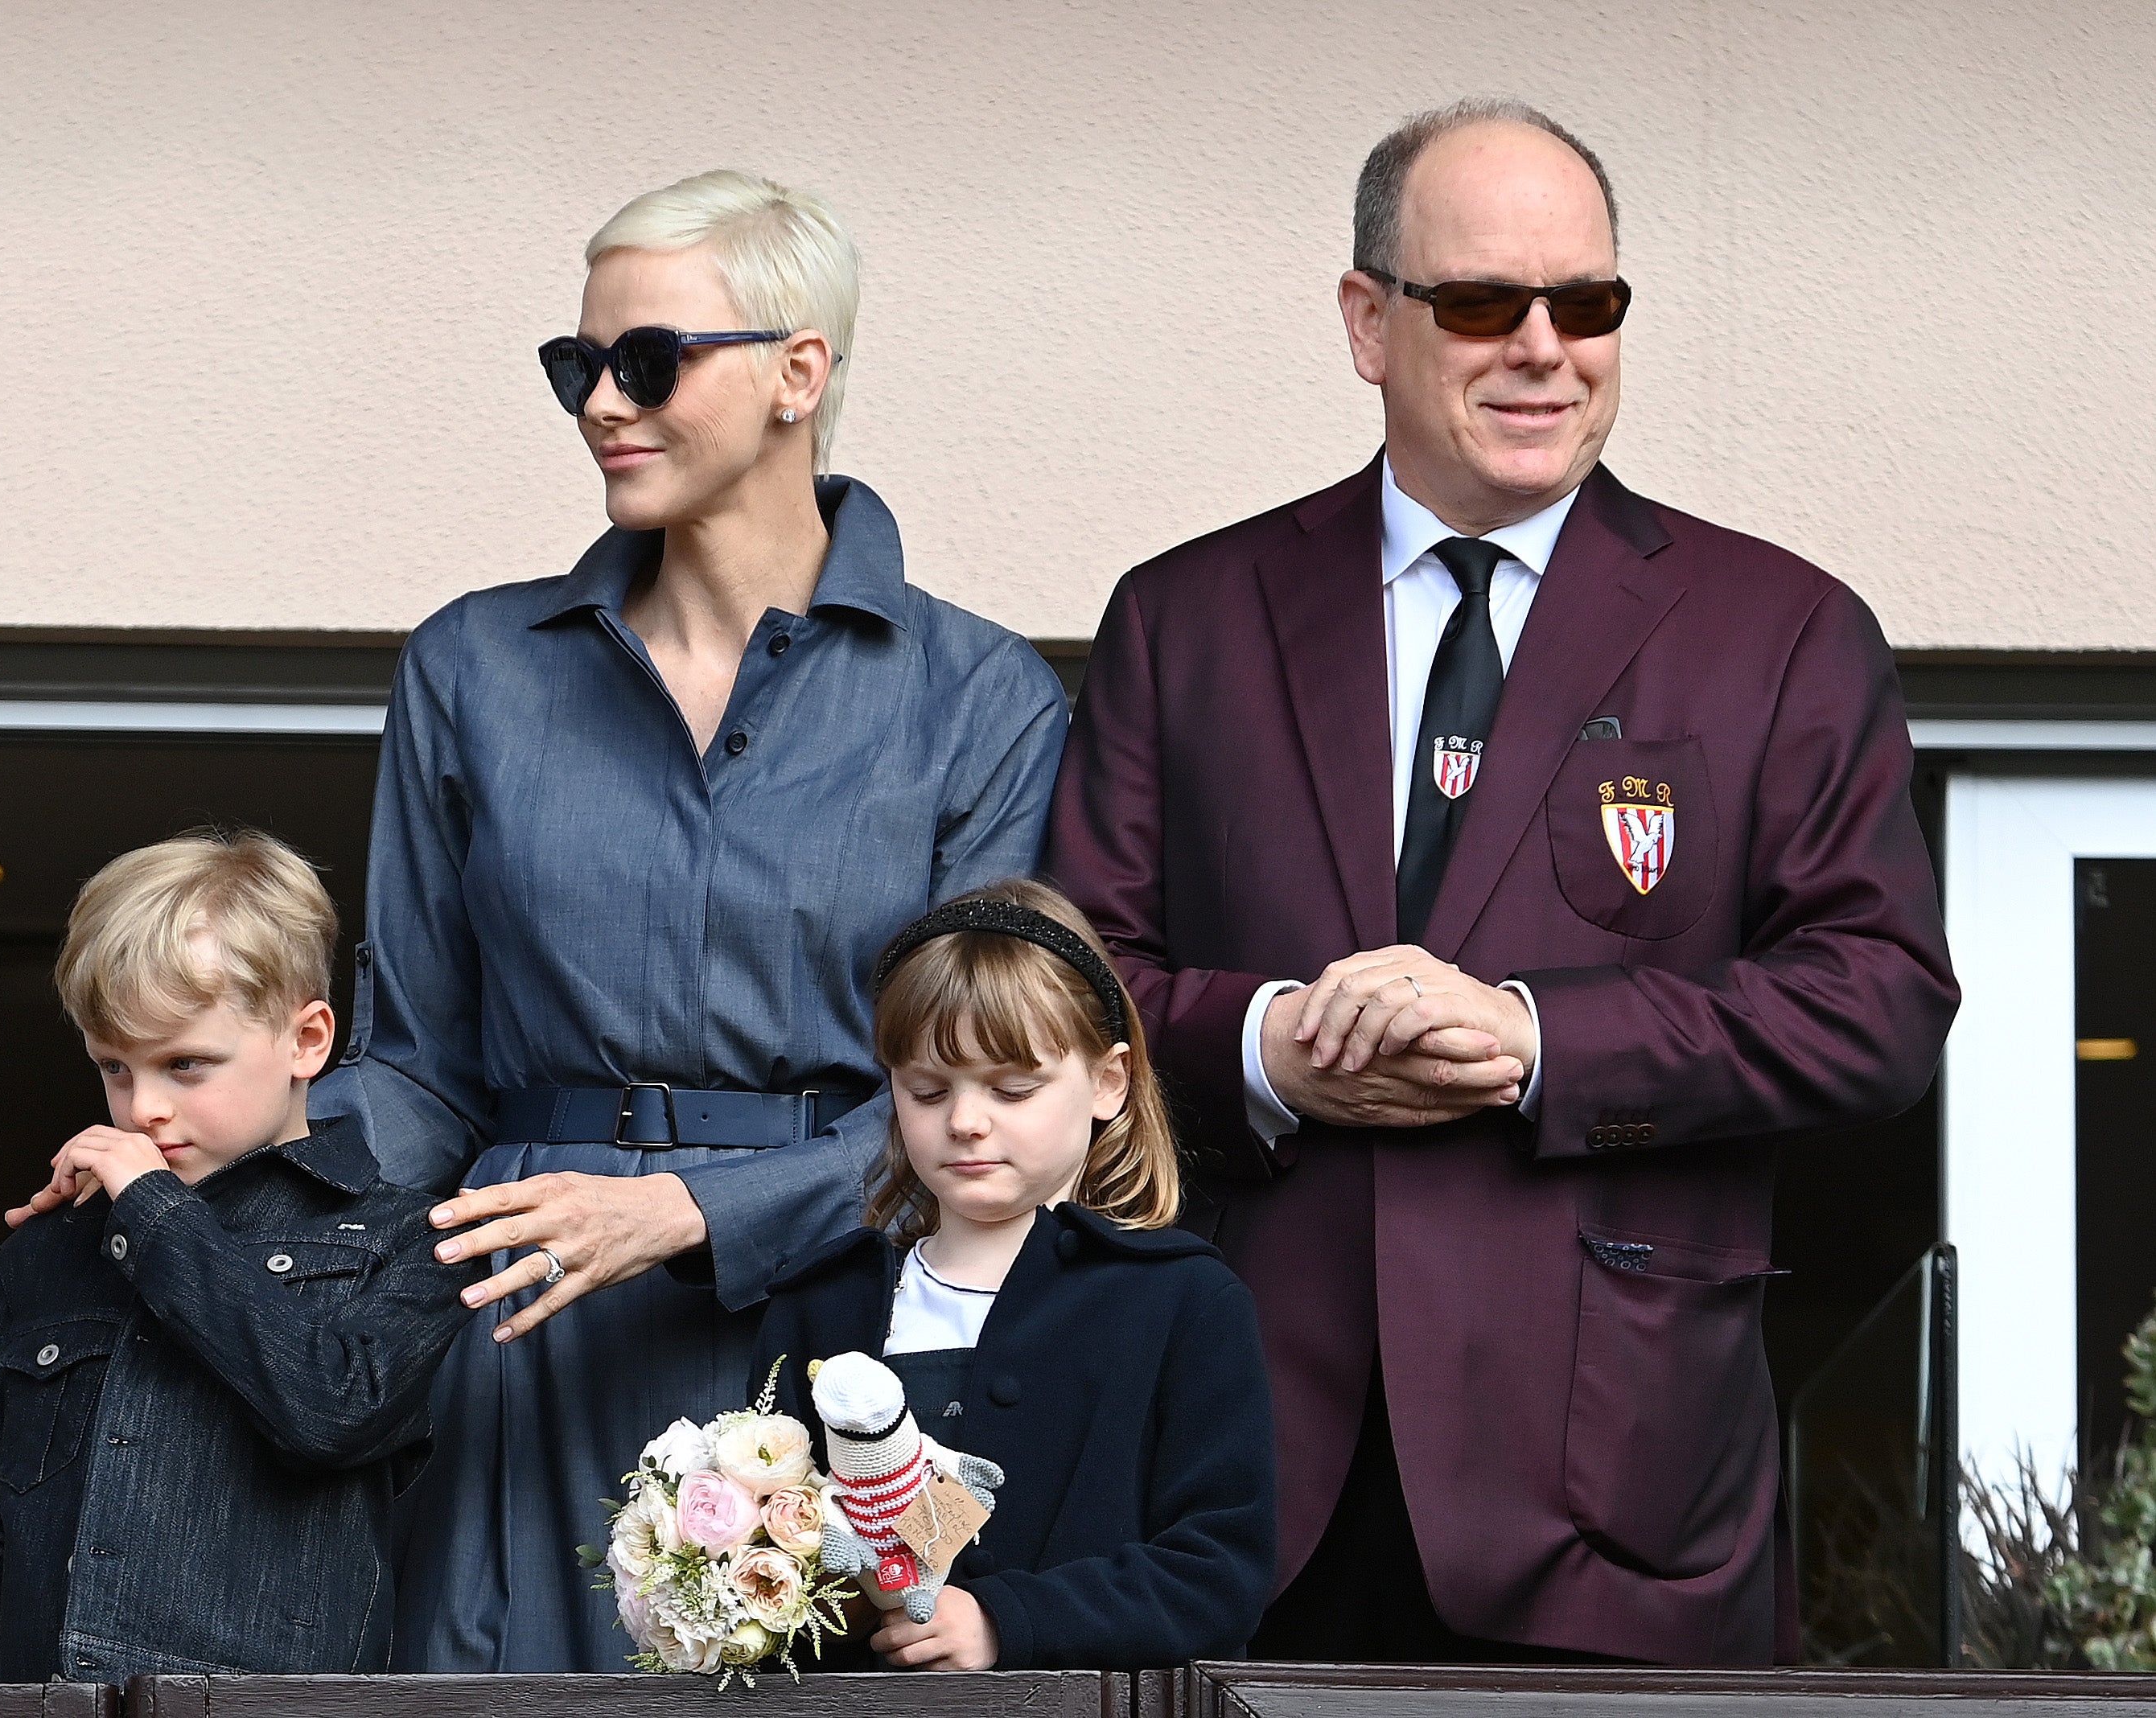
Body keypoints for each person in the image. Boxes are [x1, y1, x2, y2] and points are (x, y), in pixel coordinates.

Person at [1043, 99, 1959, 1665]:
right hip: (1246, 1482)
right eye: (1481, 303)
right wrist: (1273, 1048)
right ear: (1367, 323)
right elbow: (1073, 990)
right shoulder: (1184, 618)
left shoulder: (1781, 629)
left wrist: (1536, 1041)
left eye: (1587, 303)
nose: (1545, 346)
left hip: (1622, 1502)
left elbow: (1878, 1003)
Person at [312, 171, 1068, 1671]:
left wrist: (690, 1212)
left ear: (801, 373)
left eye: (647, 360)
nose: (602, 400)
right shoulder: (471, 667)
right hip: (520, 1320)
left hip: (848, 1329)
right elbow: (414, 1067)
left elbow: (981, 1095)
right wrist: (226, 1168)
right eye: (573, 366)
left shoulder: (979, 699)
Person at [0, 832, 479, 1683]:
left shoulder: (414, 1236)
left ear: (308, 1040)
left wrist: (153, 1212)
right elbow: (4, 1561)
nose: (144, 1107)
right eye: (115, 1067)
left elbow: (331, 1413)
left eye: (186, 1064)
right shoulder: (47, 1259)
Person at [752, 881, 1274, 1674]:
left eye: (1012, 1088)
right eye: (927, 1090)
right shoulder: (824, 1302)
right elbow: (775, 1562)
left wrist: (1007, 1621)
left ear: (1108, 1082)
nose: (964, 1120)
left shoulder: (1185, 1303)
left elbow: (1217, 1576)